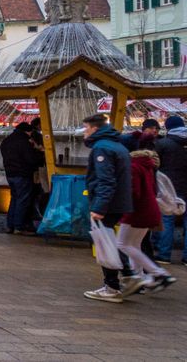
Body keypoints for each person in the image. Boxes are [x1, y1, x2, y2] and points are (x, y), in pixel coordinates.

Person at [82, 113, 137, 303]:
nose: (84, 133)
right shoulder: (118, 145)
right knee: (108, 240)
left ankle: (113, 285)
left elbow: (106, 180)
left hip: (108, 203)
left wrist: (99, 207)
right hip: (120, 202)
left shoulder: (101, 148)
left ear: (95, 129)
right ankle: (128, 275)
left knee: (105, 242)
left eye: (86, 129)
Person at [116, 148, 177, 293]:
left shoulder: (133, 167)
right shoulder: (148, 168)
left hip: (136, 212)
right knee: (134, 246)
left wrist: (120, 206)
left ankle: (158, 273)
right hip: (149, 210)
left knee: (122, 244)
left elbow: (133, 192)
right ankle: (138, 278)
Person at [154, 115, 187, 265]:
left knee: (167, 220)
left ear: (168, 127)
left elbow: (154, 165)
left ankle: (164, 255)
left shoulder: (163, 144)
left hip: (169, 188)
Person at [0, 121, 43, 234]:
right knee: (22, 201)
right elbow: (31, 160)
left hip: (10, 174)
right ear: (28, 131)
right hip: (23, 174)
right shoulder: (24, 142)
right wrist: (39, 151)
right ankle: (19, 226)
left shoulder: (6, 141)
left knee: (14, 199)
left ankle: (10, 225)